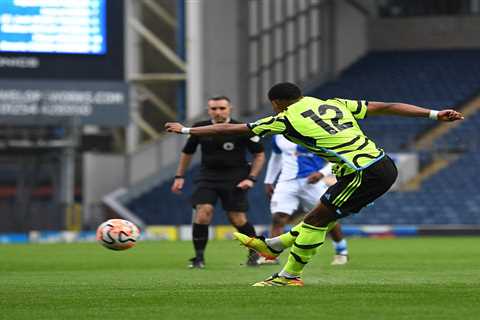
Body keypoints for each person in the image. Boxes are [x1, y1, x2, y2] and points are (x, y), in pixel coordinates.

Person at [165, 82, 463, 285]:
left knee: (319, 219)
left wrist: (186, 130)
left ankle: (287, 273)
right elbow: (387, 105)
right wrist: (434, 114)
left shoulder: (283, 119)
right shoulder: (334, 103)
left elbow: (233, 128)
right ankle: (272, 249)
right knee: (318, 216)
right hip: (376, 164)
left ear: (276, 103)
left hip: (365, 172)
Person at [170, 95, 266, 268]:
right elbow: (187, 152)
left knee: (237, 219)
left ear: (230, 109)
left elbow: (259, 154)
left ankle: (255, 253)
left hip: (236, 178)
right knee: (203, 212)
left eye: (222, 108)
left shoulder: (241, 128)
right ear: (208, 110)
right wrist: (179, 176)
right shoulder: (200, 128)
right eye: (214, 108)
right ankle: (198, 258)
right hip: (208, 177)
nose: (218, 112)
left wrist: (251, 178)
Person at [260, 134, 348, 266]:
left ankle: (341, 251)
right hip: (286, 182)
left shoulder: (314, 130)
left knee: (327, 216)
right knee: (278, 217)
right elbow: (276, 157)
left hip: (313, 182)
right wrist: (268, 180)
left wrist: (322, 173)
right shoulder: (278, 135)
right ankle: (271, 256)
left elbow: (337, 156)